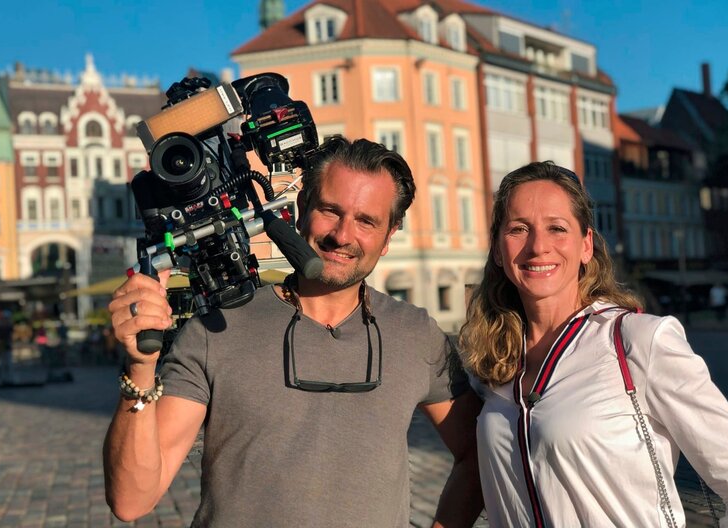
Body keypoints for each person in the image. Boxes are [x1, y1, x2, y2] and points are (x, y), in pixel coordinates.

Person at [104, 137, 483, 526]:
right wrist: (140, 367)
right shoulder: (216, 330)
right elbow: (132, 500)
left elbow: (479, 453)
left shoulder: (415, 334)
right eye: (330, 211)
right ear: (301, 209)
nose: (342, 235)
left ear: (389, 236)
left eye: (366, 221)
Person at [459, 161, 728, 527]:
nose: (538, 246)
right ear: (498, 249)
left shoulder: (638, 341)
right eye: (518, 229)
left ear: (586, 245)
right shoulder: (492, 358)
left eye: (557, 228)